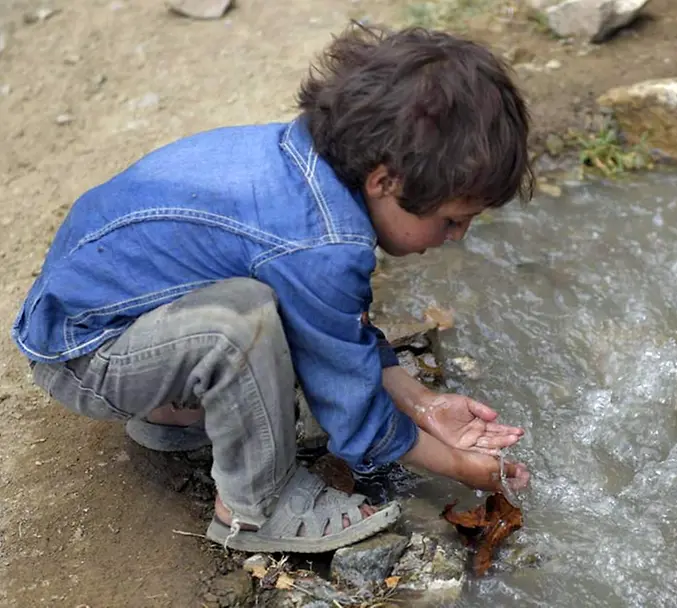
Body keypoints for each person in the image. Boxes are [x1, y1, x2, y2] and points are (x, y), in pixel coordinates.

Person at [10, 23, 533, 554]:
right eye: (451, 220)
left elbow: (336, 328)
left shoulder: (305, 163)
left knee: (266, 304)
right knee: (240, 324)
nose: (458, 236)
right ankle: (258, 506)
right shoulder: (321, 243)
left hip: (101, 321)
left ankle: (175, 420)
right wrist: (464, 468)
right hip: (82, 357)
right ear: (386, 181)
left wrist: (421, 404)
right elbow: (357, 421)